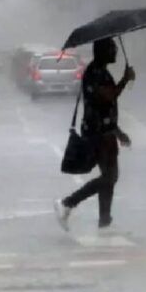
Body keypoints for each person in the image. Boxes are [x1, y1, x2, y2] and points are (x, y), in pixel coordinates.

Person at [54, 37, 135, 231]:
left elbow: (106, 107)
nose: (115, 51)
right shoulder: (94, 73)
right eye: (111, 48)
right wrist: (125, 79)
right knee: (109, 177)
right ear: (102, 51)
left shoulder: (102, 72)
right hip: (97, 133)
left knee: (110, 176)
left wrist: (119, 132)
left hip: (106, 131)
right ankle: (68, 203)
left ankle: (105, 220)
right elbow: (108, 96)